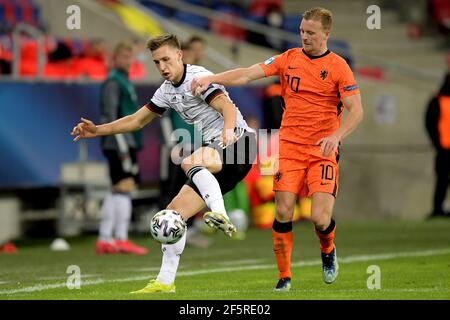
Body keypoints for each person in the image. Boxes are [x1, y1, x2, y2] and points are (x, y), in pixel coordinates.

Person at [192, 7, 363, 291]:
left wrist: (337, 134)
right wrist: (213, 78)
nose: (305, 37)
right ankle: (284, 277)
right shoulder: (288, 59)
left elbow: (356, 110)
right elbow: (247, 74)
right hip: (291, 148)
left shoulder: (338, 67)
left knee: (321, 218)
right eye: (302, 32)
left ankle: (328, 249)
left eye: (311, 33)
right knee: (283, 212)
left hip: (322, 149)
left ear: (326, 34)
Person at [71, 34, 256, 293]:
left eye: (166, 60)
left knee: (189, 160)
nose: (162, 67)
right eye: (157, 62)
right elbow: (136, 121)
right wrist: (97, 130)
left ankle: (219, 213)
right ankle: (165, 282)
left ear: (180, 55)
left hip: (241, 143)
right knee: (172, 214)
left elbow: (227, 107)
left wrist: (227, 130)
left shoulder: (197, 78)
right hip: (220, 152)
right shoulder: (167, 91)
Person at [95, 42, 148, 256]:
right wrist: (121, 143)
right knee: (125, 185)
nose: (128, 61)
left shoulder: (124, 81)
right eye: (124, 57)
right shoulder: (113, 82)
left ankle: (105, 238)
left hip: (125, 140)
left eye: (130, 58)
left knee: (116, 187)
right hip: (119, 141)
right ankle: (121, 238)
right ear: (114, 59)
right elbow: (110, 115)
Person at [425, 70, 450, 218]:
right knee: (442, 180)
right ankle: (438, 209)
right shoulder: (437, 100)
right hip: (443, 149)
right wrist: (437, 143)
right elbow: (429, 123)